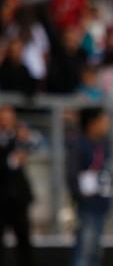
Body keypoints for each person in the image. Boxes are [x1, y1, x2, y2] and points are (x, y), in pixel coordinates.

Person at [67, 107, 113, 266]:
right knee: (85, 249)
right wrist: (80, 196)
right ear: (92, 124)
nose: (107, 124)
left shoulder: (104, 145)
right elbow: (72, 175)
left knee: (95, 251)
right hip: (86, 205)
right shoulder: (80, 145)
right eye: (103, 121)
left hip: (101, 202)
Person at [0, 105, 34, 266]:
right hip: (1, 198)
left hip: (18, 199)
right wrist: (11, 160)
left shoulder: (20, 137)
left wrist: (24, 140)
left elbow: (34, 143)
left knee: (24, 241)